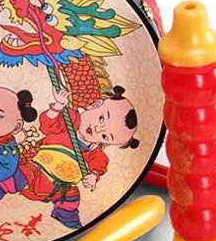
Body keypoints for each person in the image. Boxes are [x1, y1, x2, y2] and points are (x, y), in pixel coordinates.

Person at [19, 85, 139, 229]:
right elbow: (46, 126)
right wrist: (58, 106)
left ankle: (66, 216)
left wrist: (93, 176)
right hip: (37, 169)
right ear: (95, 104)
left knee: (72, 196)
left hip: (57, 187)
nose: (97, 129)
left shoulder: (95, 154)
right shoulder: (70, 119)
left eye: (105, 136)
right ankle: (0, 185)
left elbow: (98, 167)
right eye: (101, 118)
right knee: (22, 173)